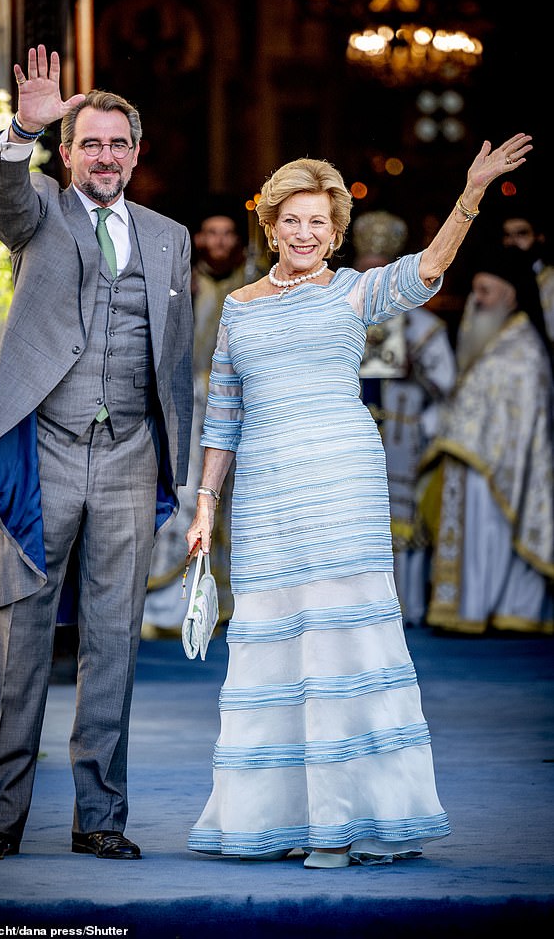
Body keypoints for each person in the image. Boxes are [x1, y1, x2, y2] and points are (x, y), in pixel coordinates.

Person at [184, 132, 533, 868]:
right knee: (275, 643)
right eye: (292, 219)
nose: (304, 233)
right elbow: (223, 416)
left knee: (346, 642)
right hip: (269, 493)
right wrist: (206, 504)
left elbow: (432, 268)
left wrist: (471, 193)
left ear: (336, 233)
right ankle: (279, 819)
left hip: (344, 481)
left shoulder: (354, 290)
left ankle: (342, 823)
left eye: (319, 222)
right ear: (270, 225)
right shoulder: (240, 310)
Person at [0, 45, 194, 862]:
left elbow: (176, 358)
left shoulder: (171, 238)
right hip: (49, 448)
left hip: (131, 452)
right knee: (19, 637)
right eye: (88, 142)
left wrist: (182, 469)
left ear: (137, 152)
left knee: (113, 639)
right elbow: (1, 198)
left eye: (117, 144)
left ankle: (101, 816)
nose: (103, 156)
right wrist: (23, 127)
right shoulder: (42, 212)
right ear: (69, 152)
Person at [418, 245, 554, 636]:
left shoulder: (523, 350)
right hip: (473, 463)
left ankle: (497, 609)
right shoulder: (494, 339)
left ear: (510, 295)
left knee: (492, 540)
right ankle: (473, 609)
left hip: (498, 472)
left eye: (485, 292)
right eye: (475, 291)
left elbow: (522, 421)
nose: (477, 301)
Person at [142, 202, 259, 632]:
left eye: (227, 233)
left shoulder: (253, 282)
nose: (220, 242)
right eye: (211, 232)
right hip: (188, 405)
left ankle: (231, 603)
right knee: (189, 494)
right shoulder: (179, 282)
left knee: (240, 500)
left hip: (240, 405)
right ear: (198, 238)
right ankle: (169, 608)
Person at [353, 211, 457, 627]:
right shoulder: (339, 313)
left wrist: (419, 372)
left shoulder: (424, 327)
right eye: (366, 271)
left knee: (401, 520)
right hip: (352, 431)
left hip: (403, 435)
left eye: (383, 272)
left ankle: (405, 607)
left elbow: (449, 387)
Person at [501, 208, 554, 345]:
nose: (512, 241)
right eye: (507, 235)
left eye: (521, 233)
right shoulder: (496, 280)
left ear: (538, 237)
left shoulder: (550, 279)